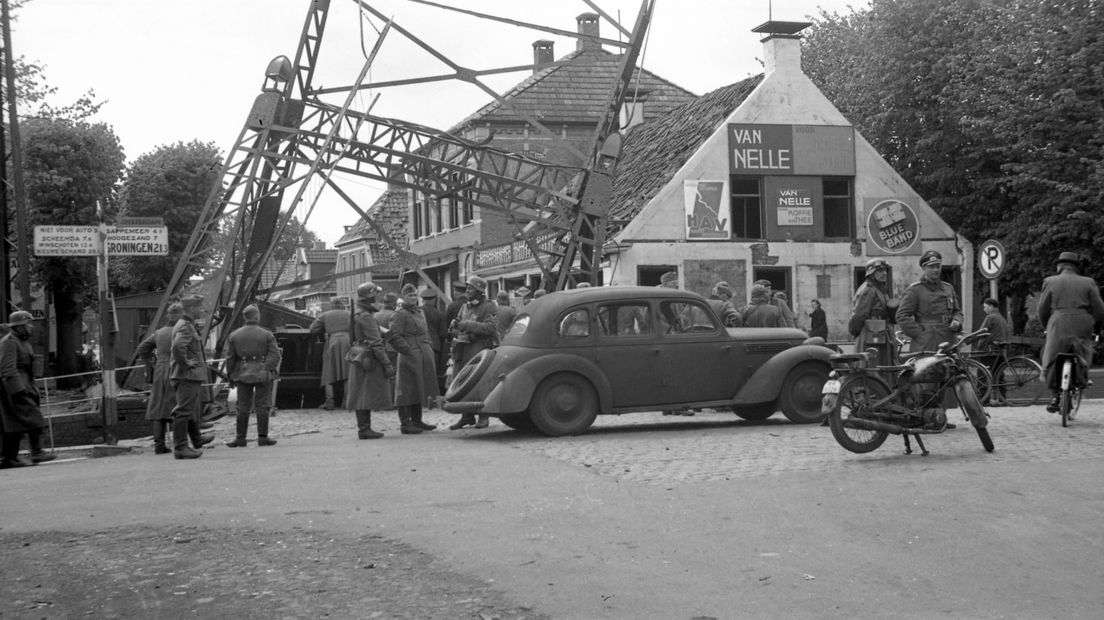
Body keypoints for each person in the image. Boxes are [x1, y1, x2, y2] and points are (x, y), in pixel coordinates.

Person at [1037, 251, 1104, 413]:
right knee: (1083, 351)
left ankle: (1054, 396)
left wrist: (1047, 326)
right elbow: (1099, 309)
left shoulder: (1050, 281)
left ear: (1060, 266)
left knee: (1050, 354)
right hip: (1082, 321)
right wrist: (1096, 328)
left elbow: (1042, 309)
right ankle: (1082, 379)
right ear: (1076, 267)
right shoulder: (1088, 282)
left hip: (1058, 322)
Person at [0, 311, 56, 468]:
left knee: (14, 425)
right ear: (19, 326)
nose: (31, 327)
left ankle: (8, 458)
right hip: (15, 387)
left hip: (26, 384)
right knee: (34, 417)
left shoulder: (22, 341)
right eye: (28, 324)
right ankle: (37, 451)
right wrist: (18, 390)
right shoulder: (9, 342)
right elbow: (7, 368)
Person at [223, 305, 282, 447]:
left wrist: (230, 375)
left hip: (242, 373)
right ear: (257, 316)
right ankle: (263, 437)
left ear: (245, 317)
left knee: (242, 406)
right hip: (262, 373)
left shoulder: (235, 335)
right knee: (262, 405)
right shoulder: (267, 334)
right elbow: (275, 355)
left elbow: (230, 358)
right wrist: (266, 368)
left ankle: (240, 438)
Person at [346, 282, 396, 439]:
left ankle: (364, 427)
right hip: (368, 357)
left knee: (360, 392)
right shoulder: (366, 317)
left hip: (358, 354)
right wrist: (387, 363)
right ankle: (364, 429)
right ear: (371, 296)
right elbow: (376, 342)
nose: (378, 298)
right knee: (364, 394)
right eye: (376, 295)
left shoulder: (357, 313)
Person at [388, 284, 440, 434]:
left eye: (415, 295)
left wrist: (428, 345)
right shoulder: (399, 314)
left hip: (423, 353)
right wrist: (407, 350)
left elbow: (426, 332)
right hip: (409, 355)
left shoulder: (420, 312)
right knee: (406, 389)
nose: (413, 298)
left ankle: (417, 420)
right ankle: (405, 423)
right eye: (410, 295)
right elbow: (393, 336)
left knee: (419, 387)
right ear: (403, 297)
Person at [448, 275, 498, 430]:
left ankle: (483, 416)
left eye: (470, 288)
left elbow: (490, 328)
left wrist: (467, 325)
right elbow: (458, 325)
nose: (467, 291)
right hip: (463, 350)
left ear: (479, 291)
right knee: (462, 383)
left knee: (481, 383)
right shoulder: (465, 306)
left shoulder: (489, 306)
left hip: (479, 351)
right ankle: (466, 416)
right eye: (467, 288)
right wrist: (455, 326)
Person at [134, 302, 184, 454]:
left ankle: (159, 445)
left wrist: (151, 361)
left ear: (168, 316)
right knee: (179, 405)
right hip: (177, 368)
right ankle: (181, 443)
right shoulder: (183, 331)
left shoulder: (159, 333)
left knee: (158, 407)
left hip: (160, 370)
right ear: (181, 315)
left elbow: (142, 348)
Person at [169, 295, 214, 460]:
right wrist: (187, 363)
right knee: (183, 411)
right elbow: (178, 346)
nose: (202, 310)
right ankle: (180, 447)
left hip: (188, 375)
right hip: (187, 376)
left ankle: (196, 440)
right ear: (192, 309)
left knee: (188, 409)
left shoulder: (187, 325)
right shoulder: (186, 327)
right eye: (200, 308)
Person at [896, 250, 963, 353]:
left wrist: (957, 321)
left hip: (948, 339)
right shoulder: (915, 290)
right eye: (931, 267)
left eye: (938, 266)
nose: (936, 270)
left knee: (951, 368)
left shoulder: (948, 288)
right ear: (923, 268)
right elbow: (902, 316)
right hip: (926, 342)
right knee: (928, 368)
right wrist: (919, 333)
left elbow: (957, 311)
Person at [850, 259, 895, 365]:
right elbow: (859, 315)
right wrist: (855, 332)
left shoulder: (879, 288)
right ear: (871, 273)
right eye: (879, 271)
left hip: (880, 332)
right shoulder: (869, 289)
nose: (884, 273)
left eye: (885, 270)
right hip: (871, 333)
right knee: (873, 365)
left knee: (881, 365)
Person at [309, 296, 351, 410]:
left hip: (332, 342)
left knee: (328, 373)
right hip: (348, 342)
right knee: (348, 373)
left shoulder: (325, 315)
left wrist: (325, 331)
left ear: (331, 305)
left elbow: (313, 329)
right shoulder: (349, 314)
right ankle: (346, 401)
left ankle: (329, 402)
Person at [419, 288, 448, 401]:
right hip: (435, 347)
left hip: (420, 345)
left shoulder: (417, 311)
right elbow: (443, 333)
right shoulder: (439, 314)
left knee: (421, 372)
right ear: (434, 300)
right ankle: (431, 397)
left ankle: (421, 396)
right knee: (432, 373)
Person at [375, 291, 400, 395]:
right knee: (393, 374)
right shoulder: (395, 315)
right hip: (392, 348)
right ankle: (391, 399)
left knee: (379, 374)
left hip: (378, 348)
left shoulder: (375, 315)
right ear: (394, 304)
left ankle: (380, 399)